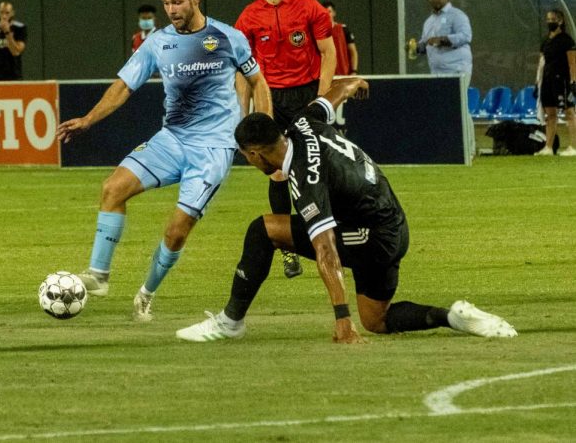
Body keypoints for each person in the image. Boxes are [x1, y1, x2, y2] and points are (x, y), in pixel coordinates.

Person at [176, 77, 517, 343]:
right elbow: (338, 89)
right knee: (377, 320)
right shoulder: (303, 123)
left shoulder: (305, 179)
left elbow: (325, 249)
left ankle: (230, 322)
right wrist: (356, 83)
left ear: (255, 154)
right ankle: (454, 316)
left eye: (247, 158)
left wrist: (342, 319)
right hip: (393, 221)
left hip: (374, 235)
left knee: (262, 230)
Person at [57, 0, 271, 322]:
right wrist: (87, 120)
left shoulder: (227, 37)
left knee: (175, 230)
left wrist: (261, 133)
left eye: (177, 2)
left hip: (213, 150)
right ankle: (98, 276)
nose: (171, 10)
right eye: (166, 3)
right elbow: (124, 86)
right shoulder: (158, 42)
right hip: (171, 140)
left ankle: (146, 293)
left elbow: (258, 83)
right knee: (112, 189)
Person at [234, 0, 337, 280]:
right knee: (278, 172)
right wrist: (243, 110)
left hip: (307, 95)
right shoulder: (248, 17)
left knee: (319, 169)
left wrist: (320, 100)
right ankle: (288, 250)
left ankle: (334, 240)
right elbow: (243, 70)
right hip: (270, 98)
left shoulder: (310, 8)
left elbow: (328, 53)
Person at [408, 0, 475, 160]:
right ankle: (450, 148)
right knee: (444, 110)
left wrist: (443, 39)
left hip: (457, 67)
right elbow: (426, 43)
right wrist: (416, 47)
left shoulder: (457, 15)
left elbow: (466, 36)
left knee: (460, 106)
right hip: (437, 71)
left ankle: (471, 149)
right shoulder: (429, 21)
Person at [534, 9, 576, 156]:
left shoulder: (567, 41)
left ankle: (574, 146)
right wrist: (537, 82)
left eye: (553, 19)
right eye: (548, 19)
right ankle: (548, 147)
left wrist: (573, 81)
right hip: (547, 81)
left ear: (560, 21)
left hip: (561, 81)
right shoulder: (545, 41)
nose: (549, 22)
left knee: (569, 112)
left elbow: (572, 63)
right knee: (550, 114)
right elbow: (541, 63)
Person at [321, 1, 359, 76]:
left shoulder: (343, 29)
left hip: (343, 74)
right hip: (324, 76)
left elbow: (353, 52)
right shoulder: (317, 32)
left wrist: (354, 71)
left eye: (329, 12)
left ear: (334, 13)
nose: (327, 14)